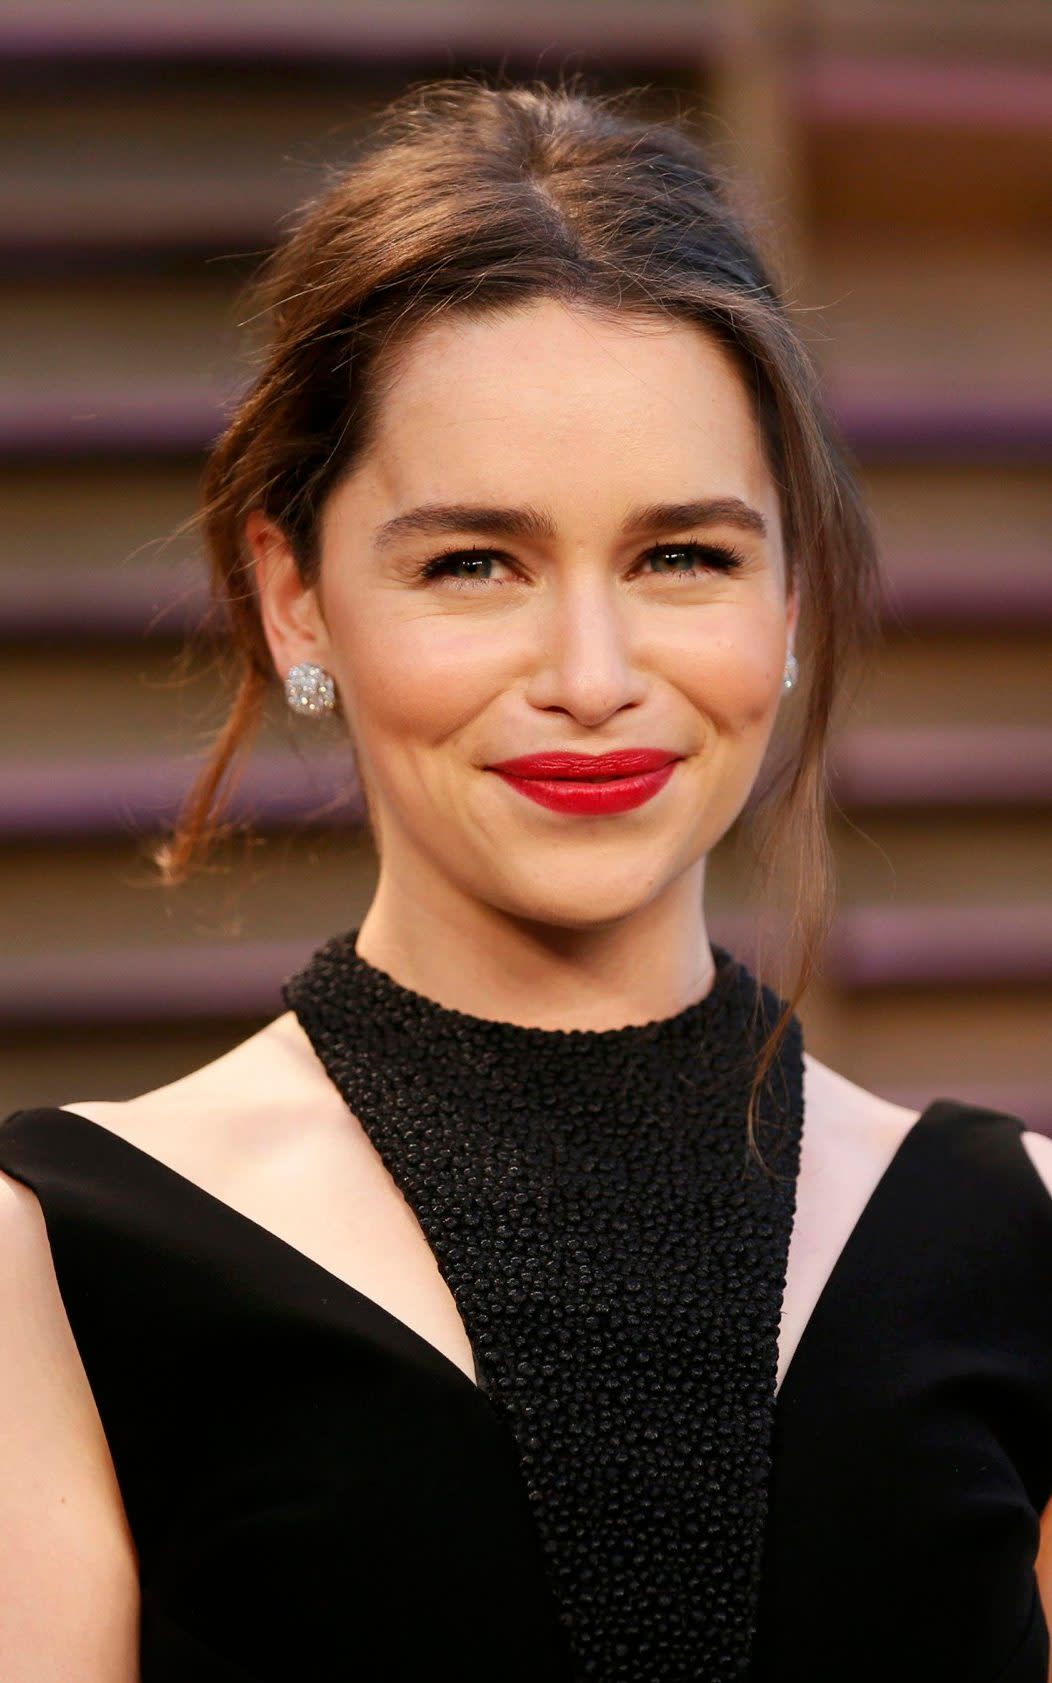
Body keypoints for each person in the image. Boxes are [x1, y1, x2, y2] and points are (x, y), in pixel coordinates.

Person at [1, 80, 1049, 1683]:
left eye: (683, 556)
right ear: (295, 602)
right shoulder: (54, 1272)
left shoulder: (1024, 1236)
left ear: (792, 598)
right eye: (472, 563)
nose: (590, 674)